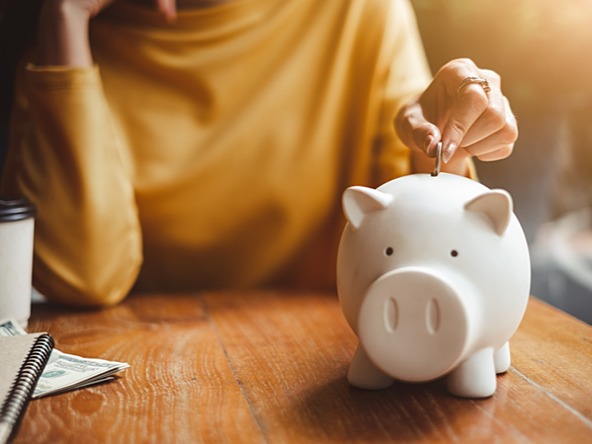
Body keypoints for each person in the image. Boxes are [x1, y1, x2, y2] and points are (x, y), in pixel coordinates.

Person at [0, 0, 518, 307]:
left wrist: (449, 142)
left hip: (326, 361)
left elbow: (420, 228)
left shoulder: (357, 13)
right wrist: (64, 17)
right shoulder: (69, 52)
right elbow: (80, 277)